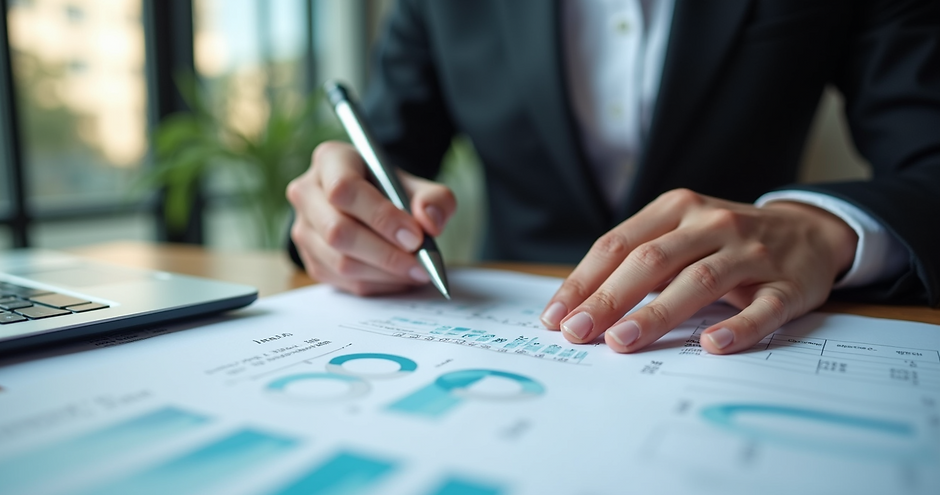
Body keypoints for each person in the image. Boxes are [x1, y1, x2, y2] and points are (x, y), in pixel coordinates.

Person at [286, 0, 940, 355]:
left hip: (744, 321)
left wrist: (826, 232)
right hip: (505, 324)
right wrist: (340, 216)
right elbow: (380, 162)